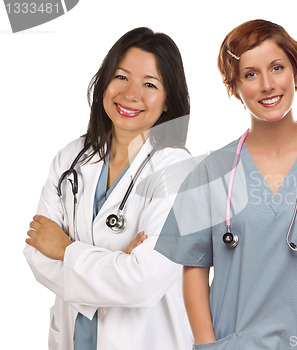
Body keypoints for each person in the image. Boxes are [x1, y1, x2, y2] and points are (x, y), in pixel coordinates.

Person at [155, 19, 297, 349]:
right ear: (235, 87)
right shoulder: (211, 171)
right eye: (250, 74)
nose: (267, 84)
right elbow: (194, 268)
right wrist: (208, 346)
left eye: (277, 68)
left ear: (295, 71)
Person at [24, 27, 193, 350]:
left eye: (149, 84)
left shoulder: (178, 172)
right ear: (104, 81)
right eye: (121, 77)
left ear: (169, 98)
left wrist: (65, 250)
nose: (131, 94)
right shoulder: (70, 159)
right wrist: (116, 265)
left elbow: (144, 282)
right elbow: (36, 253)